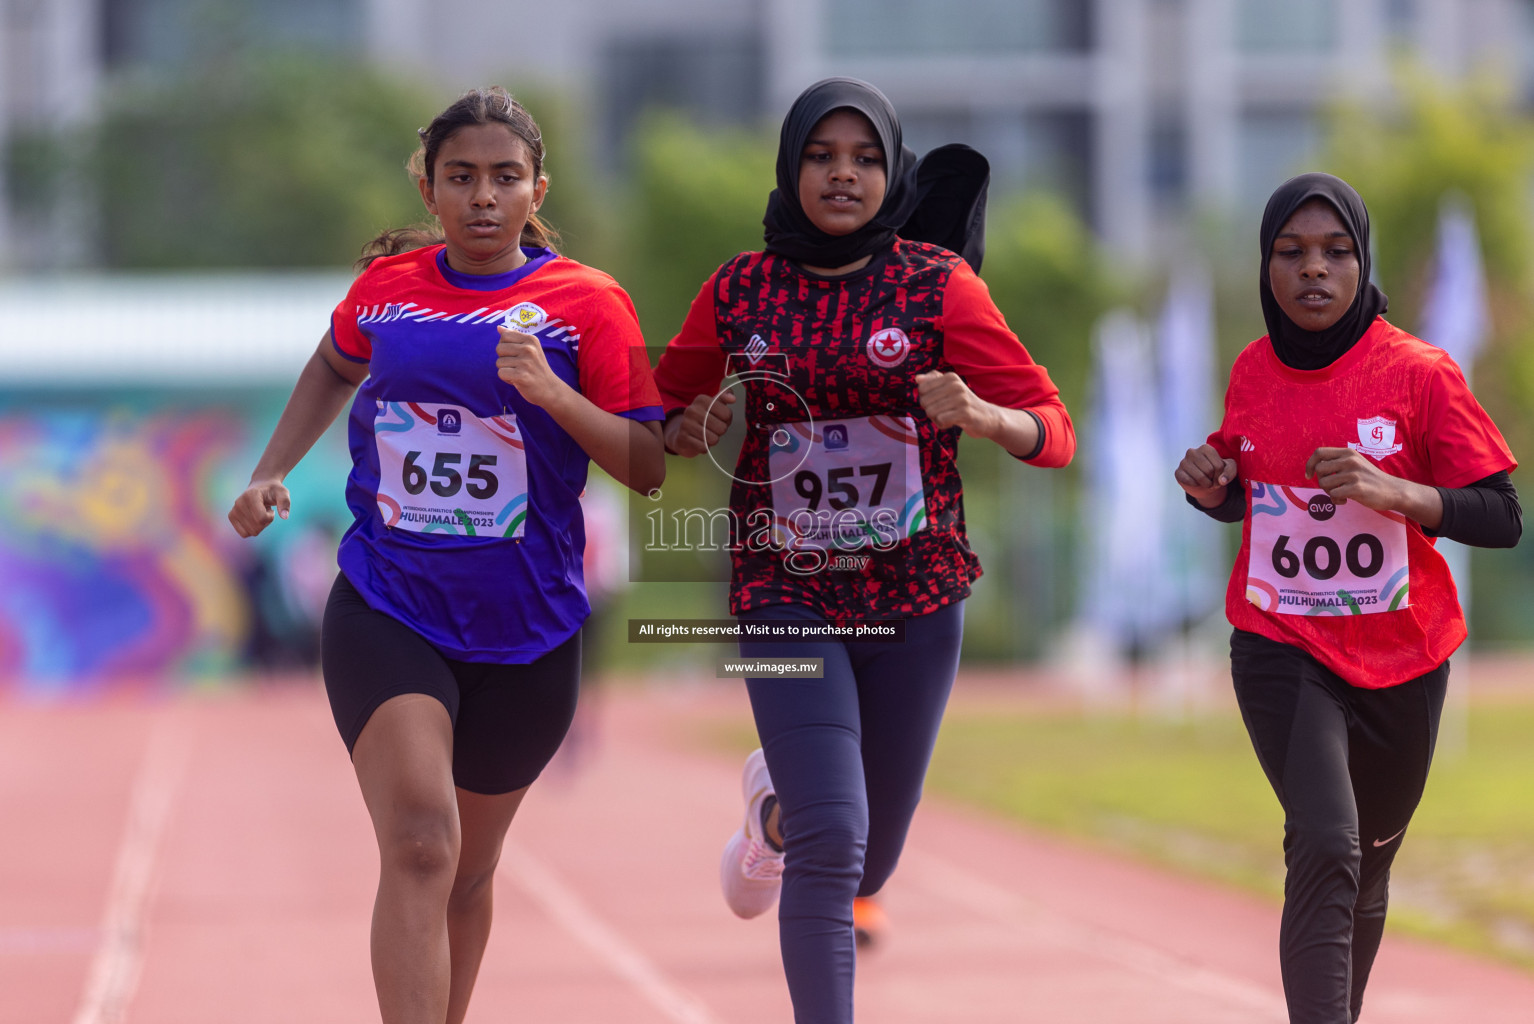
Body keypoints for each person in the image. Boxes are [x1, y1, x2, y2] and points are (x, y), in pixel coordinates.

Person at [227, 87, 665, 1024]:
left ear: (535, 187)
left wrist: (552, 394)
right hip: (391, 604)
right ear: (429, 187)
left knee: (467, 872)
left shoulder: (587, 304)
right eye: (460, 177)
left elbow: (648, 464)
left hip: (529, 628)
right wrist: (272, 471)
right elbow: (331, 366)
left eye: (504, 178)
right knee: (422, 841)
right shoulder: (387, 291)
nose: (482, 197)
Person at [652, 77, 1074, 1023]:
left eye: (865, 158)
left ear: (891, 170)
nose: (843, 175)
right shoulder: (740, 289)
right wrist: (682, 426)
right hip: (784, 590)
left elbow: (1056, 429)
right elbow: (657, 401)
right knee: (835, 839)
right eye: (821, 156)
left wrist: (983, 412)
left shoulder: (937, 287)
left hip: (916, 597)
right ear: (790, 163)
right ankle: (800, 825)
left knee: (869, 856)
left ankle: (773, 813)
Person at [1175, 172, 1520, 1024]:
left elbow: (1504, 515)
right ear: (1266, 270)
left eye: (1336, 252)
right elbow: (1245, 486)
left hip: (1406, 658)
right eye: (1291, 254)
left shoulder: (1420, 374)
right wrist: (1208, 484)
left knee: (1367, 860)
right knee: (1325, 843)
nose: (1313, 271)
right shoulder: (1253, 371)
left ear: (1362, 265)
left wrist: (1399, 493)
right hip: (1281, 643)